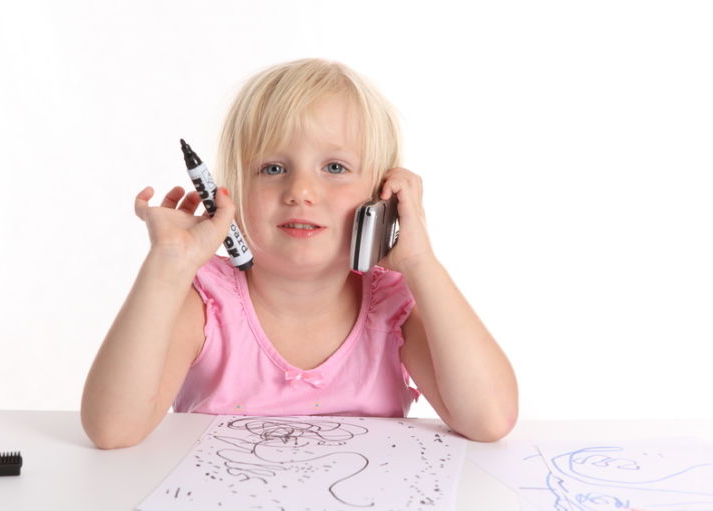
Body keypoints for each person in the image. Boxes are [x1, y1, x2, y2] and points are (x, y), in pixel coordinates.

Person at [81, 58, 518, 449]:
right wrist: (168, 264)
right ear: (233, 190)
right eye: (273, 168)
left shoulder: (392, 307)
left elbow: (490, 419)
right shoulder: (206, 301)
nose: (301, 191)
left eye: (335, 167)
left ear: (382, 196)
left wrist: (421, 264)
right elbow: (112, 429)